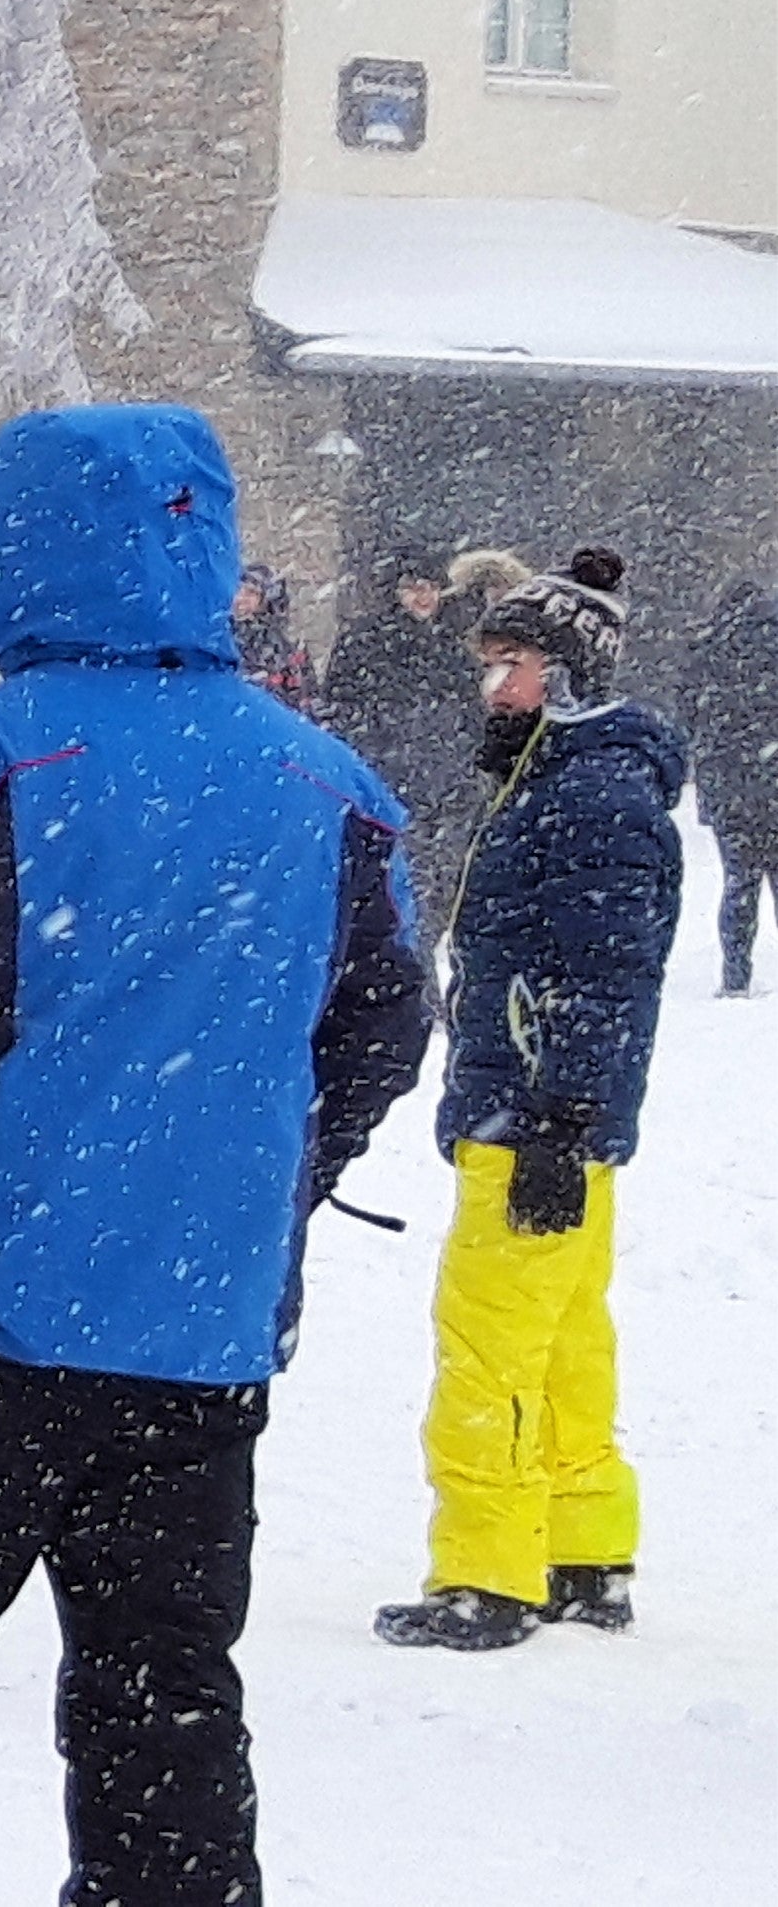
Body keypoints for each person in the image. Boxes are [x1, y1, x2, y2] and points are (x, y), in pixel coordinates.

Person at [0, 402, 433, 1905]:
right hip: (196, 1325)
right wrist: (260, 1173)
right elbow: (382, 1023)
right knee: (162, 1693)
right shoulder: (326, 783)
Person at [380, 548, 683, 1652]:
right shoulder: (564, 778)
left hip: (533, 1116)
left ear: (565, 673)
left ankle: (486, 1570)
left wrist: (558, 1117)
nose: (490, 685)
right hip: (548, 1110)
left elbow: (606, 975)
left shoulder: (589, 793)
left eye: (507, 662)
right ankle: (583, 1547)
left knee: (490, 1342)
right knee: (562, 1341)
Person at [324, 544, 479, 946]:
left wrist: (461, 779)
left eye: (432, 587)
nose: (424, 596)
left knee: (426, 910)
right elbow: (341, 716)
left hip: (438, 798)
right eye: (414, 586)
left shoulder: (452, 652)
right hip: (382, 794)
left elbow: (471, 725)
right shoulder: (364, 644)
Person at [677, 578, 778, 995]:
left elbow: (686, 712)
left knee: (739, 881)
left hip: (728, 786)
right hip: (775, 777)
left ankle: (735, 977)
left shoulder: (708, 647)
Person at [231, 560, 318, 715]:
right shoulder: (223, 634)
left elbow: (303, 693)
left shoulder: (285, 643)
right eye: (238, 590)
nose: (240, 598)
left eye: (251, 592)